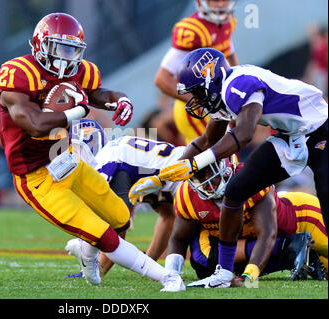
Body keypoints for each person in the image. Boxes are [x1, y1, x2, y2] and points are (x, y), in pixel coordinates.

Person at [0, 12, 184, 292]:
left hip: (67, 160)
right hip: (36, 178)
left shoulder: (80, 71)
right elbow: (34, 125)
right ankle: (166, 278)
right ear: (40, 44)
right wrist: (77, 112)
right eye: (60, 47)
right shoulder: (19, 74)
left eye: (72, 49)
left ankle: (85, 251)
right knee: (105, 236)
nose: (66, 56)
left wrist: (119, 99)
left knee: (121, 217)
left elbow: (96, 92)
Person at [129, 47, 328, 288]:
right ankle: (224, 272)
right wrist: (161, 177)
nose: (195, 100)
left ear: (211, 80)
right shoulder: (224, 93)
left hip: (320, 126)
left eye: (197, 93)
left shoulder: (239, 84)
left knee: (325, 192)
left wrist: (195, 164)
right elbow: (204, 141)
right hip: (290, 136)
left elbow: (243, 134)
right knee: (235, 191)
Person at [164, 156, 327, 286]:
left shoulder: (250, 179)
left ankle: (294, 248)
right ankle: (292, 252)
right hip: (250, 239)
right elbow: (179, 238)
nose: (206, 180)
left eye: (209, 171)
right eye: (198, 175)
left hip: (302, 219)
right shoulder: (188, 196)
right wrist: (171, 276)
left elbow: (267, 234)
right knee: (204, 263)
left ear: (226, 166)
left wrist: (249, 278)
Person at [65, 119, 185, 279]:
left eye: (71, 148)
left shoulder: (106, 161)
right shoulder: (119, 152)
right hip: (187, 171)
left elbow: (119, 223)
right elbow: (167, 216)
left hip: (195, 179)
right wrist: (150, 263)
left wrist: (97, 271)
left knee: (205, 260)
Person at [154, 0, 239, 145]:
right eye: (215, 0)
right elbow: (161, 79)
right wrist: (203, 103)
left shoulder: (226, 23)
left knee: (227, 154)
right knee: (214, 156)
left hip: (217, 103)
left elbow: (229, 53)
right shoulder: (193, 31)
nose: (220, 5)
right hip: (195, 109)